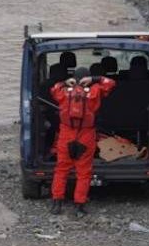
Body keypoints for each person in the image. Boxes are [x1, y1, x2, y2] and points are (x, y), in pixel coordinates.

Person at [49, 67, 116, 217]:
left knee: (61, 169)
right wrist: (95, 79)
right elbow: (111, 83)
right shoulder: (96, 90)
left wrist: (65, 83)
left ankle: (57, 202)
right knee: (83, 172)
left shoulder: (64, 92)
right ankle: (79, 205)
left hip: (66, 134)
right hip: (86, 134)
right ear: (87, 78)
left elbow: (53, 89)